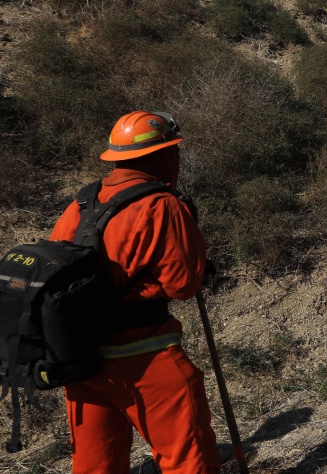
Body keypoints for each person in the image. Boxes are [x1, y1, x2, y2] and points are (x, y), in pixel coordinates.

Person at [49, 112, 221, 473]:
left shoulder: (81, 204)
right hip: (143, 354)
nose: (177, 159)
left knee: (95, 465)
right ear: (161, 156)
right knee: (190, 460)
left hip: (80, 355)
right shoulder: (162, 205)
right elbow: (183, 285)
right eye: (174, 152)